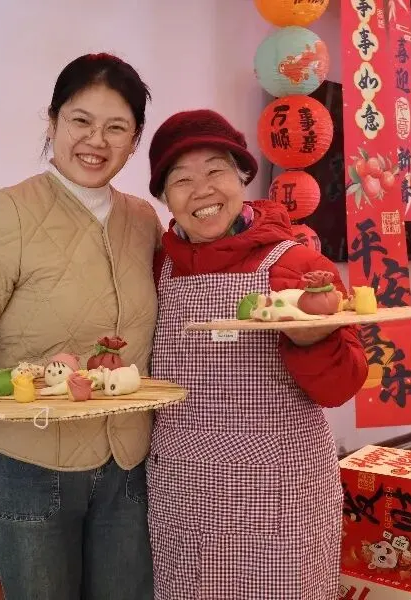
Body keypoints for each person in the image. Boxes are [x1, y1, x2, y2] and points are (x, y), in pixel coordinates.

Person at [0, 53, 162, 600]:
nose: (96, 140)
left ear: (134, 139)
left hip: (127, 462)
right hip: (30, 465)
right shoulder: (10, 211)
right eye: (81, 120)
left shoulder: (143, 220)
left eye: (116, 127)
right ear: (52, 122)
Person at [145, 109, 369, 599]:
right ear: (164, 198)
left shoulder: (299, 265)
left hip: (279, 490)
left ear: (242, 178)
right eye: (181, 180)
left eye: (216, 171)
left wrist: (314, 340)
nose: (201, 190)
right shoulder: (159, 268)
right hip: (183, 487)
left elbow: (342, 385)